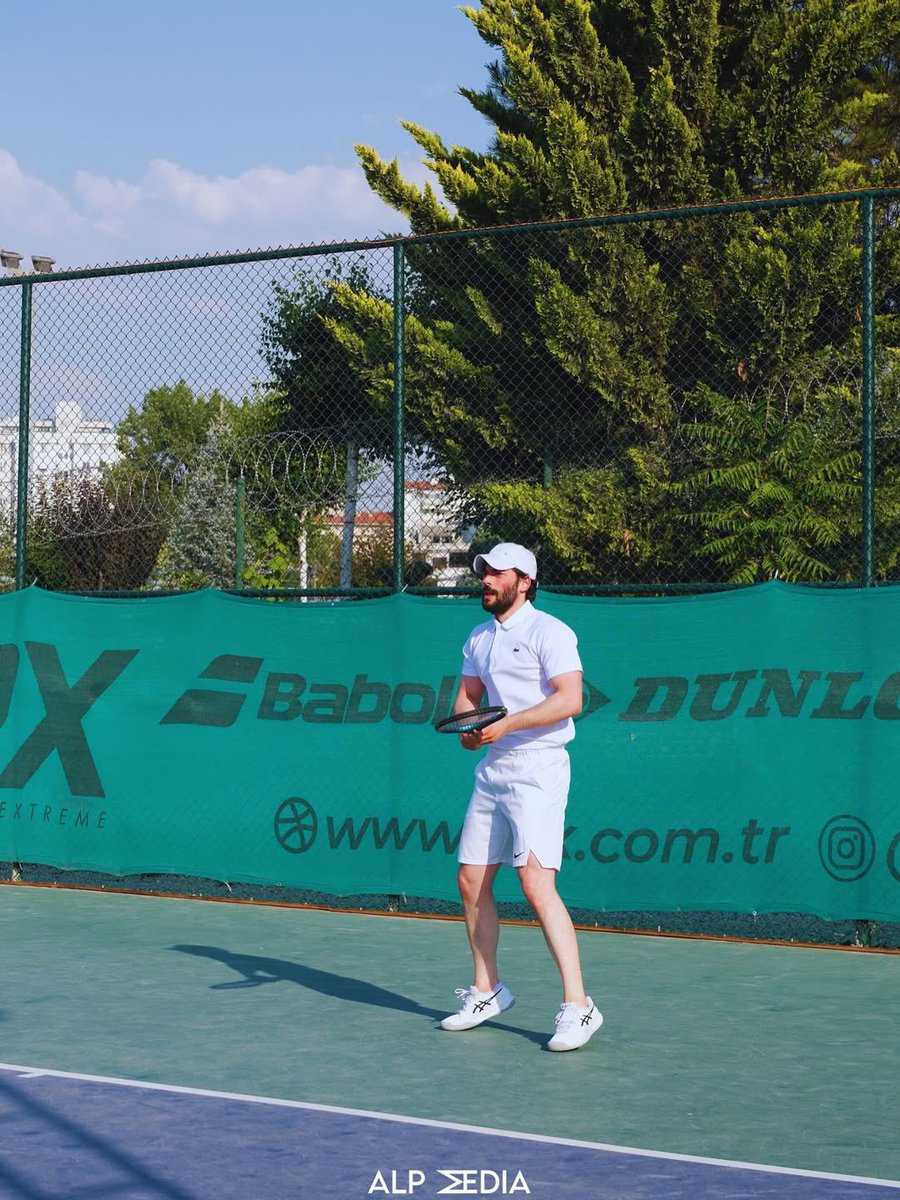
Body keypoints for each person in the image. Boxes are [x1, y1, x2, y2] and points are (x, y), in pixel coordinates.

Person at [440, 542, 602, 1052]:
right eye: (482, 572)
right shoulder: (478, 637)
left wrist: (508, 722)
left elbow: (571, 698)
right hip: (493, 770)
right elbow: (468, 697)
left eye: (495, 573)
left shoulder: (550, 632)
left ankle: (580, 1006)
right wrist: (469, 728)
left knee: (535, 885)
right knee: (470, 880)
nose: (484, 580)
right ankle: (488, 991)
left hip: (539, 769)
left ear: (524, 582)